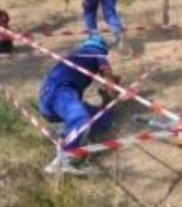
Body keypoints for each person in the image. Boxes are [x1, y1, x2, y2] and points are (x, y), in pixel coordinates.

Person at [39, 35, 121, 175]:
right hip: (62, 93)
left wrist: (106, 100)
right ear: (102, 49)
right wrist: (113, 88)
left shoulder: (74, 55)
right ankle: (65, 159)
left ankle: (68, 135)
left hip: (46, 99)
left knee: (102, 117)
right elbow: (109, 81)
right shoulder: (96, 53)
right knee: (81, 120)